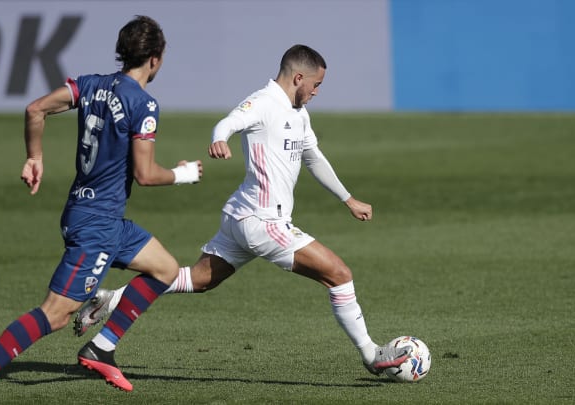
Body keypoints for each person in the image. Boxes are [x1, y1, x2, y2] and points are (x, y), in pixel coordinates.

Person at [75, 44, 411, 377]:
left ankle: (112, 299)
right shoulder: (264, 102)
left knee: (199, 279)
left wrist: (347, 198)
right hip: (263, 221)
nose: (317, 92)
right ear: (298, 77)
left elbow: (313, 158)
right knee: (339, 274)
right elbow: (228, 122)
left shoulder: (299, 113)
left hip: (241, 216)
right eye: (316, 84)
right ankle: (371, 354)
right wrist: (220, 139)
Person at [0, 15, 202, 404]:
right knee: (56, 313)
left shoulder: (90, 85)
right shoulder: (143, 103)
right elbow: (146, 174)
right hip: (96, 225)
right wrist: (182, 175)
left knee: (165, 269)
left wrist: (35, 157)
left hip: (96, 215)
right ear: (155, 59)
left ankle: (101, 348)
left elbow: (35, 109)